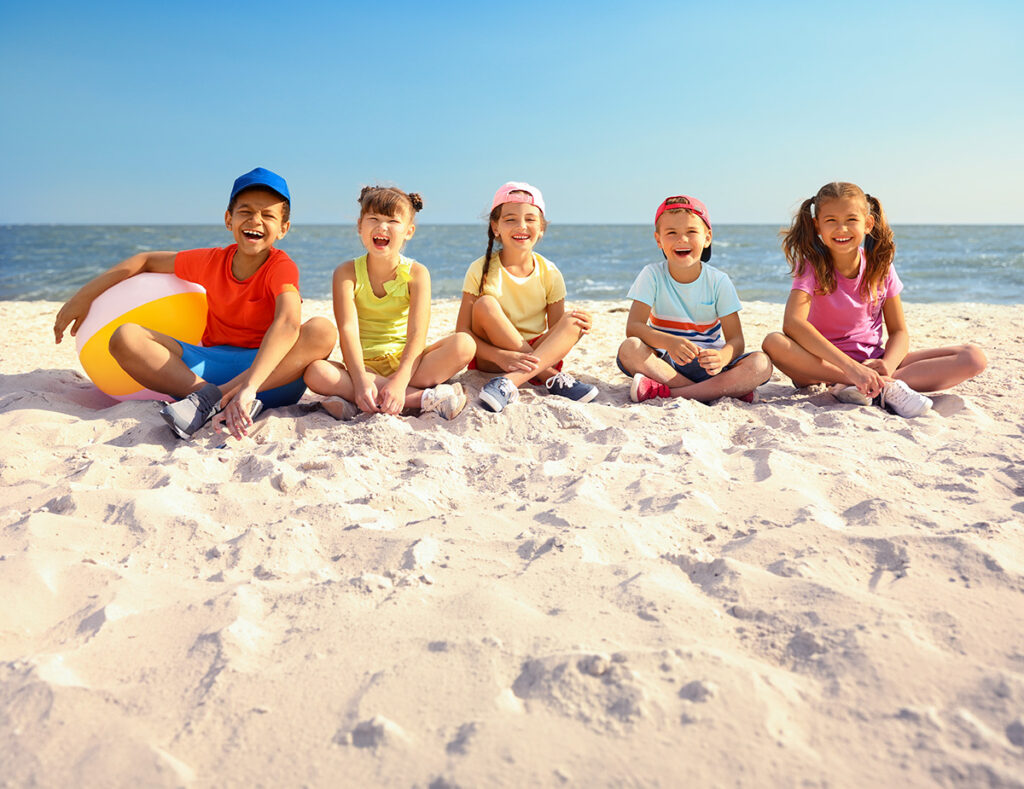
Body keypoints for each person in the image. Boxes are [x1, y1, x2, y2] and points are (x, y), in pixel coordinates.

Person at [53, 167, 337, 440]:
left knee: (322, 330)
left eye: (268, 215)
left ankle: (216, 398)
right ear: (229, 219)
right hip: (210, 368)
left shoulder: (281, 267)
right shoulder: (212, 261)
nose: (256, 221)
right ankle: (209, 398)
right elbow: (146, 260)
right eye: (246, 212)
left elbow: (287, 322)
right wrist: (82, 297)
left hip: (270, 377)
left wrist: (249, 387)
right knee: (125, 337)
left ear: (283, 228)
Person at [761, 181, 986, 417]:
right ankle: (859, 383)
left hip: (873, 361)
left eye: (851, 220)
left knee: (973, 357)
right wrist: (852, 370)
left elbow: (899, 331)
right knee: (773, 342)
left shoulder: (881, 266)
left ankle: (876, 384)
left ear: (868, 223)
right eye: (831, 221)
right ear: (817, 226)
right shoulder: (811, 265)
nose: (842, 229)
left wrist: (887, 365)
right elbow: (793, 324)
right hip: (823, 366)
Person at [303, 186, 475, 420]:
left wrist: (401, 379)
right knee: (315, 372)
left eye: (392, 221)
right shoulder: (346, 273)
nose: (382, 227)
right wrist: (361, 379)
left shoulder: (417, 273)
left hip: (409, 366)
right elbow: (348, 331)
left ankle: (360, 400)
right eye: (373, 218)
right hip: (363, 367)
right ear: (360, 226)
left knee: (464, 344)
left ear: (408, 231)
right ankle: (421, 399)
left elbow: (417, 334)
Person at [455, 181, 597, 413]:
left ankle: (509, 383)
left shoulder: (550, 272)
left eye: (530, 219)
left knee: (574, 320)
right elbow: (462, 332)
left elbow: (557, 332)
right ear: (496, 227)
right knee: (485, 304)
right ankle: (549, 376)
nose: (521, 226)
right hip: (491, 358)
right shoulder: (479, 269)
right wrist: (501, 357)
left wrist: (577, 328)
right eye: (510, 219)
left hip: (536, 354)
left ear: (541, 228)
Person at [617, 195, 772, 404]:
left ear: (707, 237)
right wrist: (669, 342)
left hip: (710, 366)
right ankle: (721, 391)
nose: (682, 239)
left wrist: (723, 357)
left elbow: (736, 340)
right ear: (658, 239)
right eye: (671, 233)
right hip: (667, 364)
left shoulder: (719, 281)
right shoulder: (651, 275)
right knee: (630, 348)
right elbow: (634, 328)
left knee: (762, 363)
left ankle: (671, 393)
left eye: (691, 232)